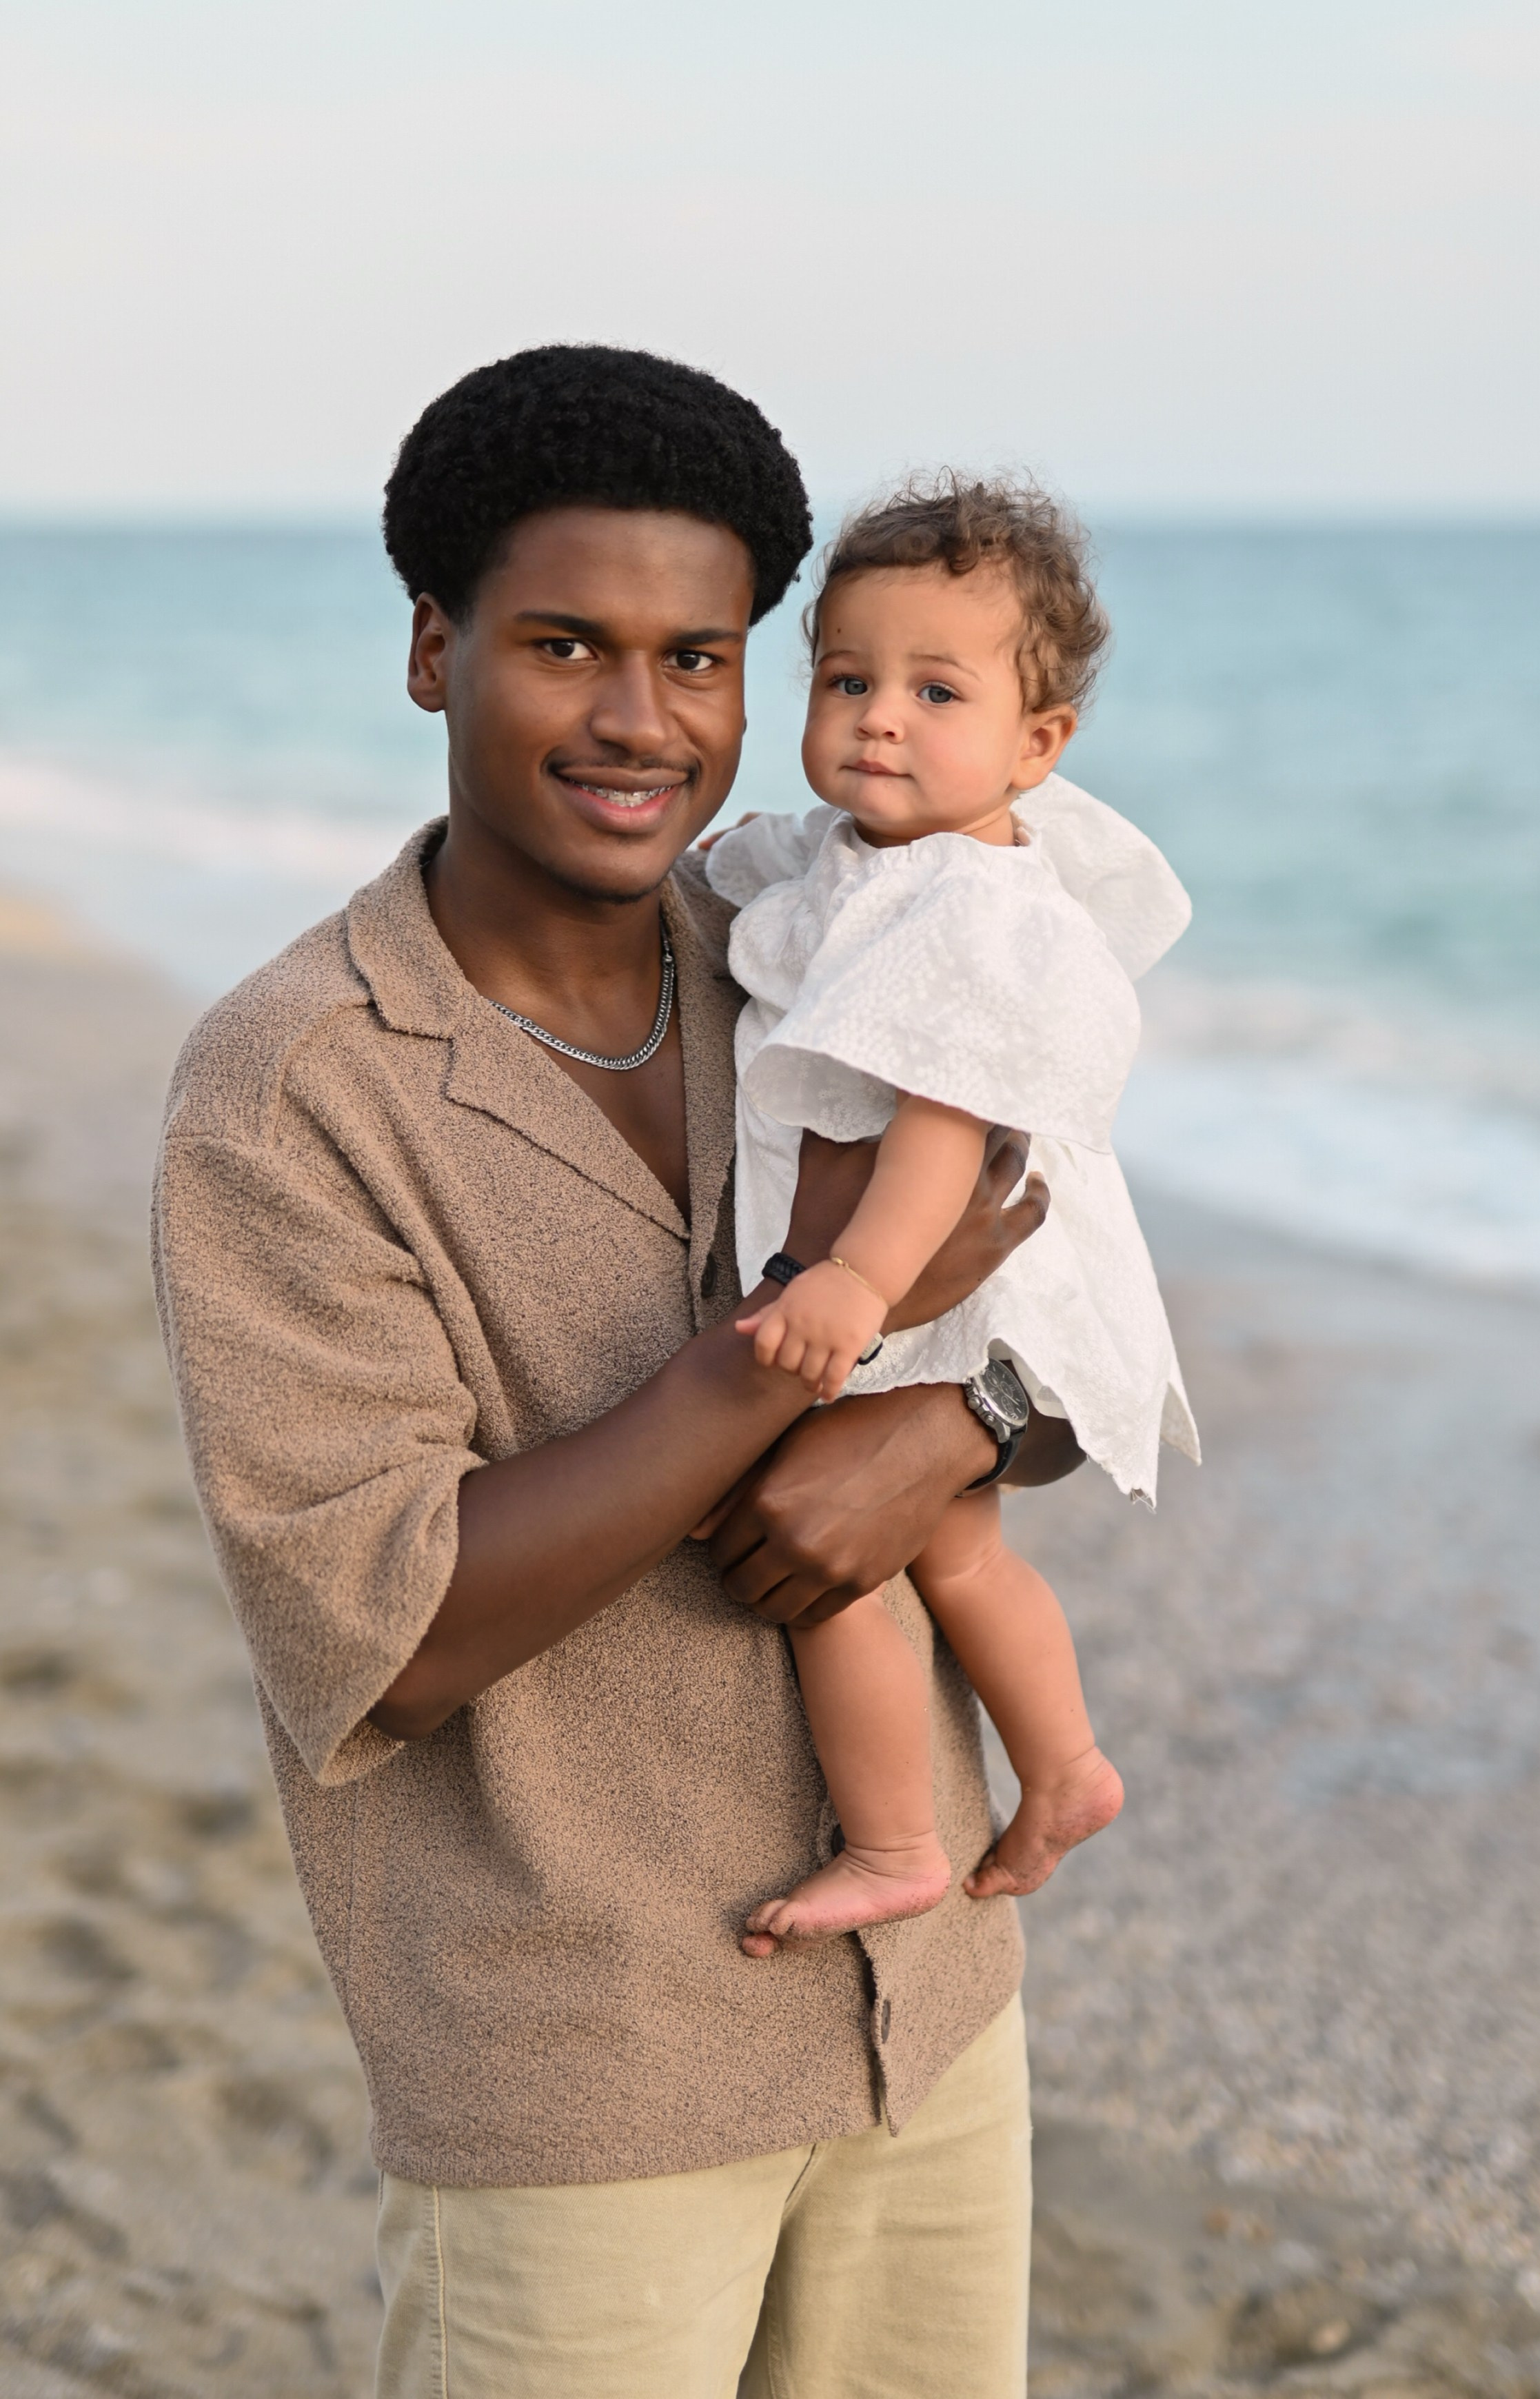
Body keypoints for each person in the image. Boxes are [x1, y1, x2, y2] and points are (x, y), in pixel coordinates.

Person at [152, 345, 1085, 2398]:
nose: (641, 722)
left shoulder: (818, 948)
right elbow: (387, 1630)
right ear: (433, 650)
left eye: (702, 657)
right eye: (567, 646)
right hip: (583, 2066)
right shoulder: (289, 1087)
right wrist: (772, 1394)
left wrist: (967, 1419)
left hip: (928, 2009)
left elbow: (1066, 1271)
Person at [705, 476, 1198, 1958]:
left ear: (1036, 745)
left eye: (935, 690)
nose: (879, 718)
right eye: (847, 679)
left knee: (829, 1559)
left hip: (928, 1280)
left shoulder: (978, 909)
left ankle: (897, 1840)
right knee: (963, 1553)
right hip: (934, 1287)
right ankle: (1065, 1769)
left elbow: (943, 1122)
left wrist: (854, 1286)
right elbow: (752, 882)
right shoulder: (862, 858)